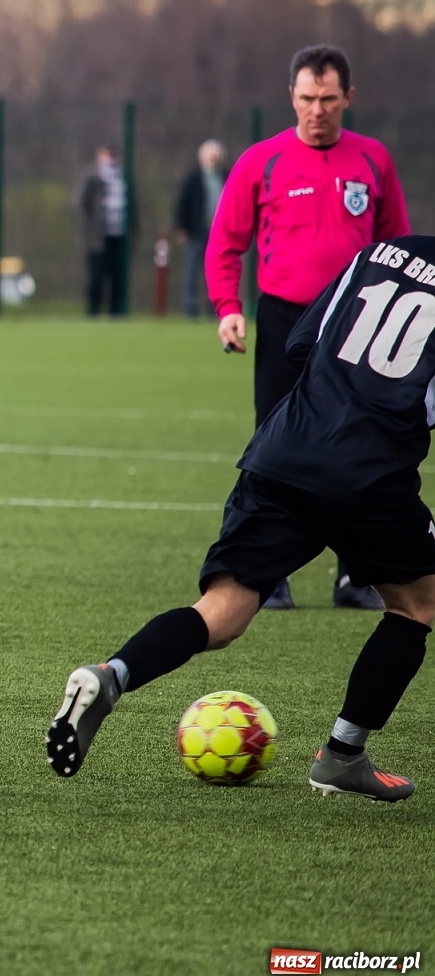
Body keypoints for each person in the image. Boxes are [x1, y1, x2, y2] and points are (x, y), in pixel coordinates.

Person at [48, 234, 435, 802]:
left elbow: (302, 343)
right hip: (368, 474)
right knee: (417, 604)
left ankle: (112, 675)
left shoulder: (380, 251)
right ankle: (342, 755)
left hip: (283, 451)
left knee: (221, 613)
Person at [207, 44, 410, 610]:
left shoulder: (373, 160)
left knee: (363, 444)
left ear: (348, 98)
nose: (316, 110)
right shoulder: (261, 161)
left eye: (327, 99)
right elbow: (226, 243)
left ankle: (357, 576)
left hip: (354, 321)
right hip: (283, 318)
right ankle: (264, 575)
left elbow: (397, 247)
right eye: (305, 99)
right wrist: (228, 307)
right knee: (274, 445)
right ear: (290, 97)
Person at [77, 145, 135, 316]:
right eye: (107, 155)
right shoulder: (92, 178)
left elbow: (134, 207)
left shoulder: (124, 178)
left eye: (114, 156)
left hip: (119, 237)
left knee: (118, 278)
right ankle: (93, 312)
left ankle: (116, 314)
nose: (111, 160)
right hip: (98, 238)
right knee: (96, 277)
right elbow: (81, 205)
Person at [173, 139, 226, 319]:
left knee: (217, 272)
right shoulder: (193, 178)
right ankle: (191, 308)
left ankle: (215, 308)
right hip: (196, 231)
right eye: (210, 156)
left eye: (216, 156)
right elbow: (182, 204)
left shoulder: (226, 177)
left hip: (220, 233)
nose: (213, 159)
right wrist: (182, 228)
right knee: (191, 271)